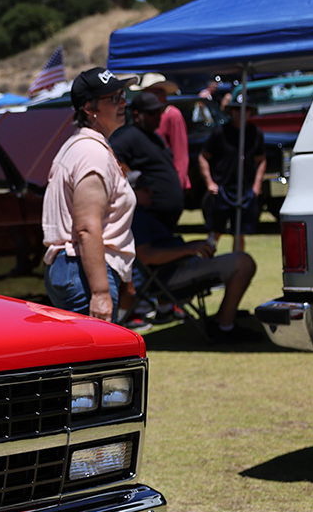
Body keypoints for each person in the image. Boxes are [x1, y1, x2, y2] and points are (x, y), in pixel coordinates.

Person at [42, 67, 137, 321]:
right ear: (89, 108)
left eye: (123, 94)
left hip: (75, 270)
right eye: (114, 98)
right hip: (86, 274)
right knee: (94, 358)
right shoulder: (91, 152)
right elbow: (87, 227)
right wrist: (100, 292)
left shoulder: (83, 146)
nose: (124, 103)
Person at [130, 173, 259, 342]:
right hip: (168, 274)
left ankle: (222, 319)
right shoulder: (137, 218)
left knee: (241, 259)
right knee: (243, 262)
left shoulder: (142, 215)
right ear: (131, 193)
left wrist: (191, 246)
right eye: (145, 189)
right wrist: (189, 249)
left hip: (176, 267)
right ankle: (225, 327)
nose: (151, 192)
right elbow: (147, 256)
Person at [110, 91, 184, 230]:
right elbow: (114, 157)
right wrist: (136, 183)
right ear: (137, 115)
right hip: (150, 214)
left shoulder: (154, 137)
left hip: (167, 215)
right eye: (152, 113)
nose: (158, 117)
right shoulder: (129, 137)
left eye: (159, 112)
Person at [200, 96, 266, 242]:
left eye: (245, 109)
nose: (241, 113)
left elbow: (261, 160)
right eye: (237, 109)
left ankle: (238, 262)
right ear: (231, 111)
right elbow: (203, 157)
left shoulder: (255, 134)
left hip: (245, 190)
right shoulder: (220, 133)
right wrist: (210, 183)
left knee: (239, 233)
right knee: (215, 230)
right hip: (223, 189)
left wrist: (257, 185)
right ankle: (206, 260)